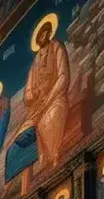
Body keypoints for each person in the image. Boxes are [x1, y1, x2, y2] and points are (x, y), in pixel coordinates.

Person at [24, 17, 70, 172]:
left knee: (48, 120)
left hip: (56, 98)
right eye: (40, 34)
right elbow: (27, 95)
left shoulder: (57, 47)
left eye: (46, 32)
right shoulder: (35, 63)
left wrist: (50, 97)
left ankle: (55, 157)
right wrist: (34, 93)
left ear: (50, 33)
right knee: (21, 136)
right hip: (37, 107)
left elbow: (63, 76)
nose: (43, 36)